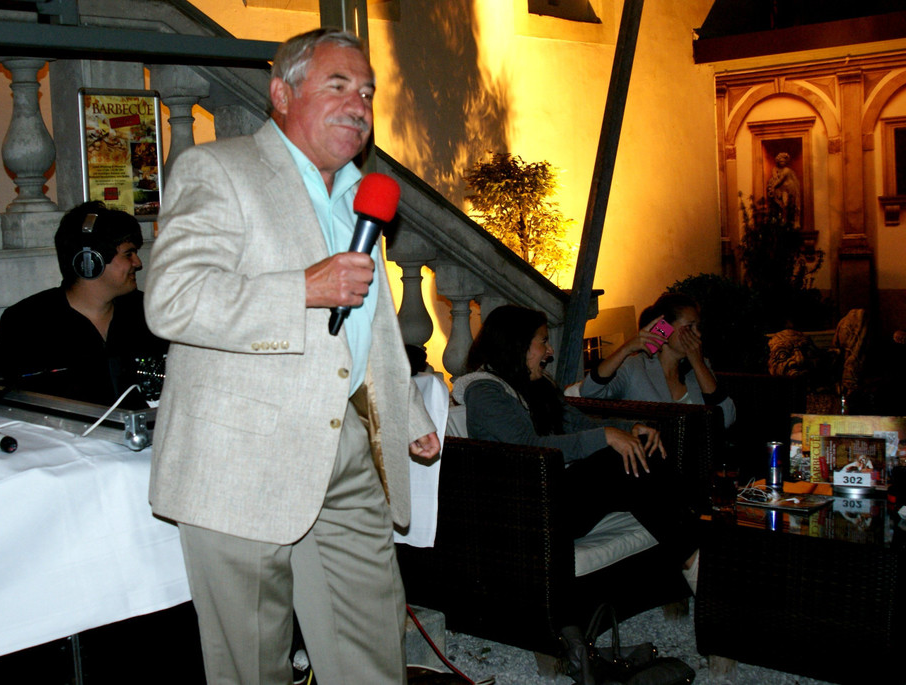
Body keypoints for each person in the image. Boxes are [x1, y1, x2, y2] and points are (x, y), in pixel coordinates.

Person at [142, 29, 439, 685]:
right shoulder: (220, 170)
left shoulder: (362, 195)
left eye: (367, 93)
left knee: (373, 648)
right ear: (281, 93)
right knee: (254, 665)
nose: (359, 105)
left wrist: (406, 409)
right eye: (339, 85)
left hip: (346, 447)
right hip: (239, 457)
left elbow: (368, 323)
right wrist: (301, 288)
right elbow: (172, 299)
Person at [451, 304, 699, 588]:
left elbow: (579, 424)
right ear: (517, 344)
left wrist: (629, 428)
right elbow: (528, 447)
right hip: (529, 509)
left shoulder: (536, 384)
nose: (550, 351)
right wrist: (606, 437)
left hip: (558, 491)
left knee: (644, 444)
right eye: (543, 341)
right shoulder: (485, 391)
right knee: (617, 460)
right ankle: (694, 559)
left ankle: (692, 554)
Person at [0, 201, 166, 408]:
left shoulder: (148, 311)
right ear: (90, 261)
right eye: (128, 254)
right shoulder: (26, 321)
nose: (138, 263)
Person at [580, 292, 736, 429]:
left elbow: (727, 418)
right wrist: (626, 349)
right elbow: (589, 391)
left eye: (698, 327)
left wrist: (698, 364)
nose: (698, 334)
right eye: (690, 327)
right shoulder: (636, 367)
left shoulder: (699, 368)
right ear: (664, 329)